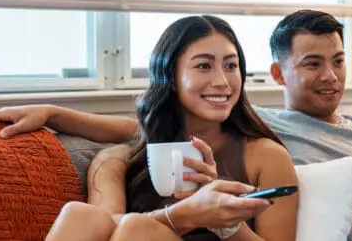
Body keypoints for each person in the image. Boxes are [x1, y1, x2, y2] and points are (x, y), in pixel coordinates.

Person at [0, 10, 352, 241]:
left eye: (338, 60)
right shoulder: (274, 126)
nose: (331, 76)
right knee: (90, 216)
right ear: (278, 73)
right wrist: (54, 115)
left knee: (134, 226)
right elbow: (133, 128)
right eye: (312, 63)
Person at [44, 15, 299, 240]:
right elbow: (102, 229)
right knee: (80, 215)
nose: (222, 81)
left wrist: (228, 225)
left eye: (231, 66)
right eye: (203, 66)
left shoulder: (266, 156)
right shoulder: (118, 160)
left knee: (138, 229)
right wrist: (184, 215)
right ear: (171, 78)